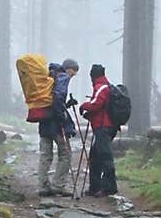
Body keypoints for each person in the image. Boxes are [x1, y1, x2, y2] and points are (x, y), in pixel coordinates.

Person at [38, 58, 79, 196]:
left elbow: (52, 101)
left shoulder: (49, 76)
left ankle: (43, 186)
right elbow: (58, 97)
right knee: (66, 153)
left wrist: (66, 105)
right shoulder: (62, 76)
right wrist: (62, 116)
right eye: (73, 72)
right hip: (56, 124)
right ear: (68, 69)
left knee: (45, 154)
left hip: (43, 120)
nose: (72, 76)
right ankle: (58, 185)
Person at [79, 63, 118, 197]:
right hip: (103, 126)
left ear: (93, 75)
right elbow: (99, 107)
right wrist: (90, 114)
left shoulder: (101, 87)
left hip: (103, 128)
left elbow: (96, 104)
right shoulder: (104, 86)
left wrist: (84, 106)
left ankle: (109, 187)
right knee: (95, 157)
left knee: (105, 157)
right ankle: (95, 187)